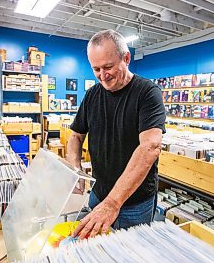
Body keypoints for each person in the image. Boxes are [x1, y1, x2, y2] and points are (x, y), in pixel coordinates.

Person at [66, 29, 165, 240]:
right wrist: (75, 168)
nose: (103, 75)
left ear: (126, 58)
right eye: (96, 69)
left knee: (129, 262)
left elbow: (150, 147)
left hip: (134, 204)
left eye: (108, 67)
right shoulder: (93, 94)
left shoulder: (148, 93)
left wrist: (113, 203)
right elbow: (75, 135)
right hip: (98, 195)